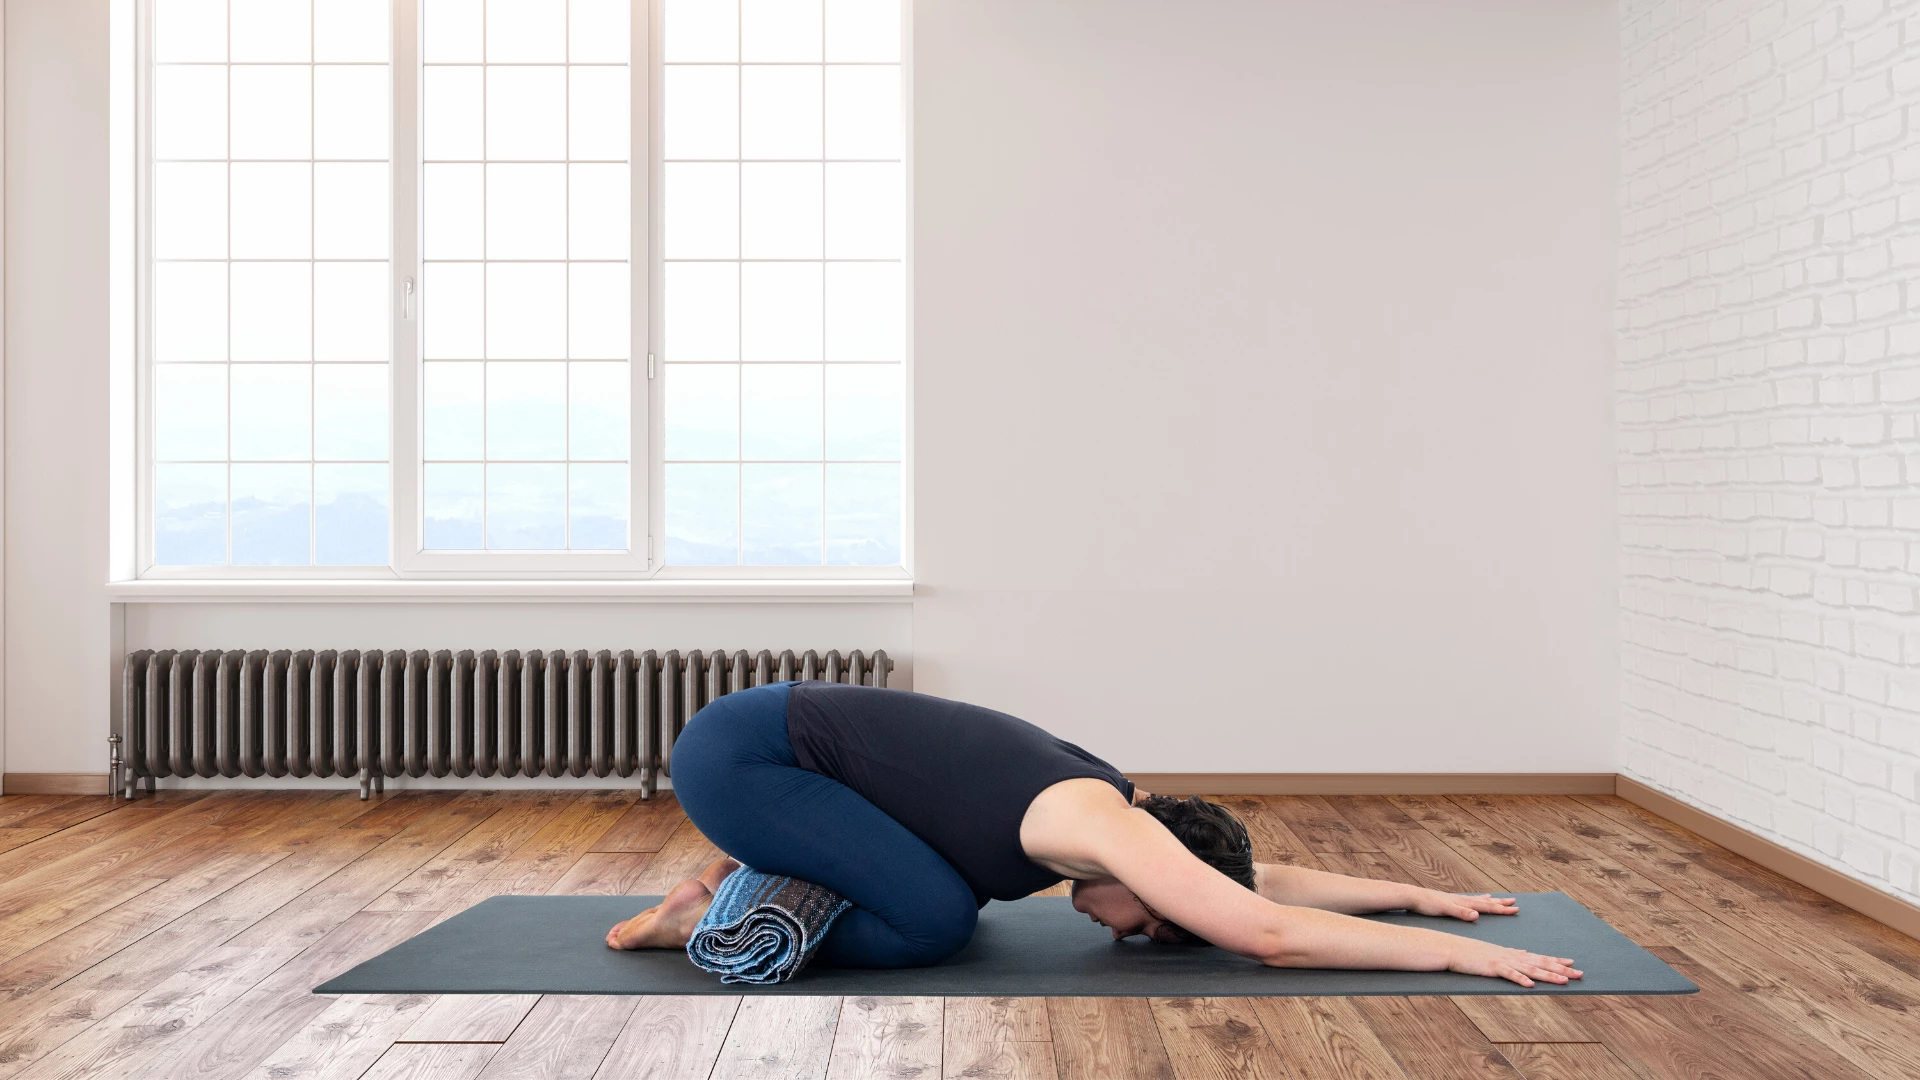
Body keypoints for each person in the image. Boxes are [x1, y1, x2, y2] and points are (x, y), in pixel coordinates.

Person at [606, 681, 1581, 988]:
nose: (1128, 933)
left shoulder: (1131, 809)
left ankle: (757, 865)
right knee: (940, 919)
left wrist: (1412, 892)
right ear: (1159, 880)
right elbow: (1265, 932)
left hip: (776, 747)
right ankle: (706, 918)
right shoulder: (1099, 823)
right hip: (746, 761)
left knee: (954, 900)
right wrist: (1459, 958)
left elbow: (1254, 881)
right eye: (1157, 926)